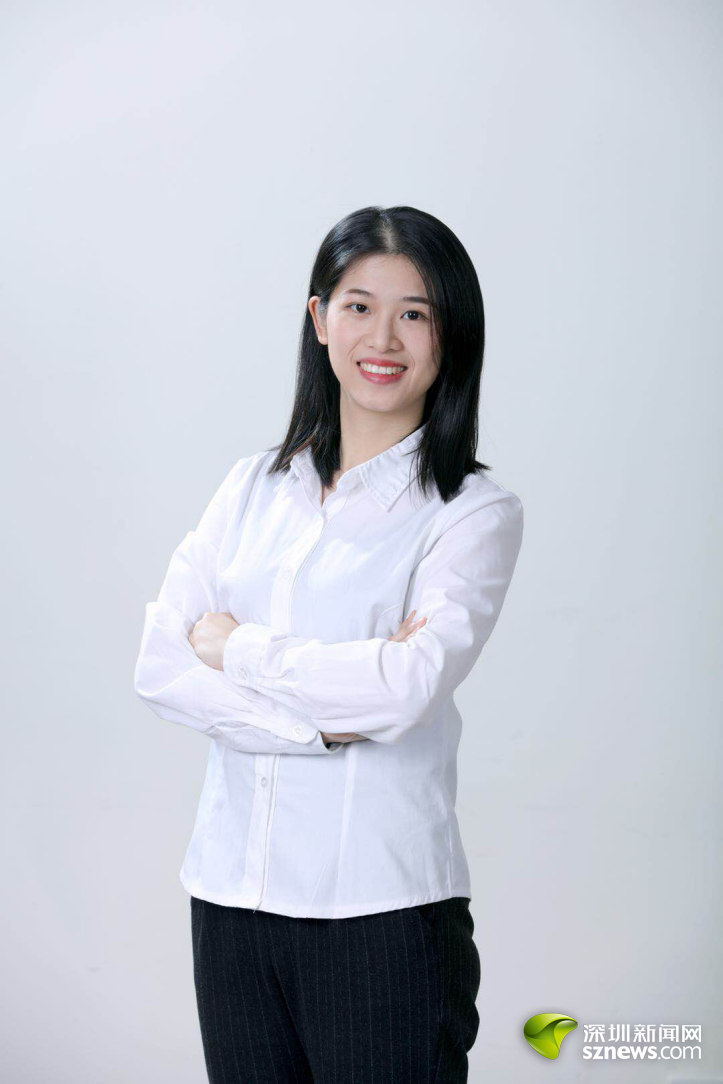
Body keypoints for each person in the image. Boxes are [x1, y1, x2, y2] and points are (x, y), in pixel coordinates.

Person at [134, 204, 524, 1083]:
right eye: (358, 307)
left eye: (414, 313)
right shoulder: (250, 488)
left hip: (380, 913)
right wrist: (319, 725)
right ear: (318, 319)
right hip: (229, 901)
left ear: (451, 333)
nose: (382, 338)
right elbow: (159, 666)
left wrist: (239, 650)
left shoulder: (470, 514)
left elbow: (404, 687)